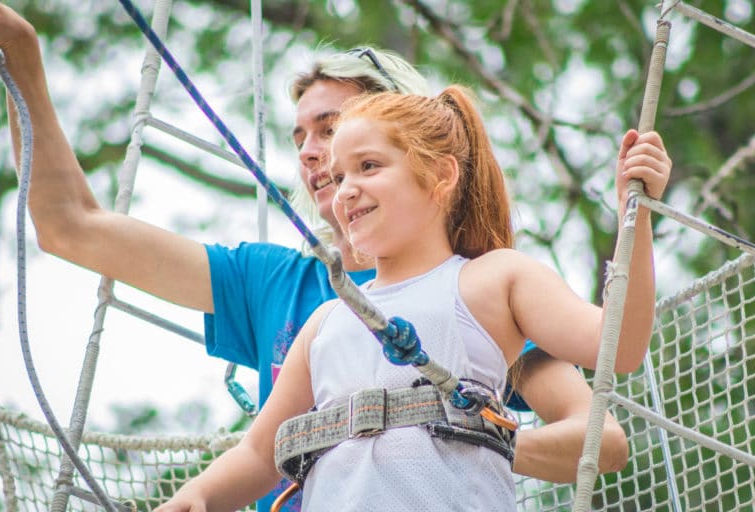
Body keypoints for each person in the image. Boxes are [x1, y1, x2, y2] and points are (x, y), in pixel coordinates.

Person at [0, 2, 630, 510]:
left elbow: (601, 438)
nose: (313, 151)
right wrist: (22, 61)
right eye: (303, 136)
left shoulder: (475, 291)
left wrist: (484, 430)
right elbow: (70, 227)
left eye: (334, 127)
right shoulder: (273, 284)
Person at [151, 86, 671, 511]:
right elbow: (260, 452)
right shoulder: (326, 321)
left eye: (369, 166)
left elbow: (620, 347)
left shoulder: (490, 280)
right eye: (338, 177)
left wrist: (636, 216)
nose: (345, 188)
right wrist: (196, 495)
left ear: (441, 175)